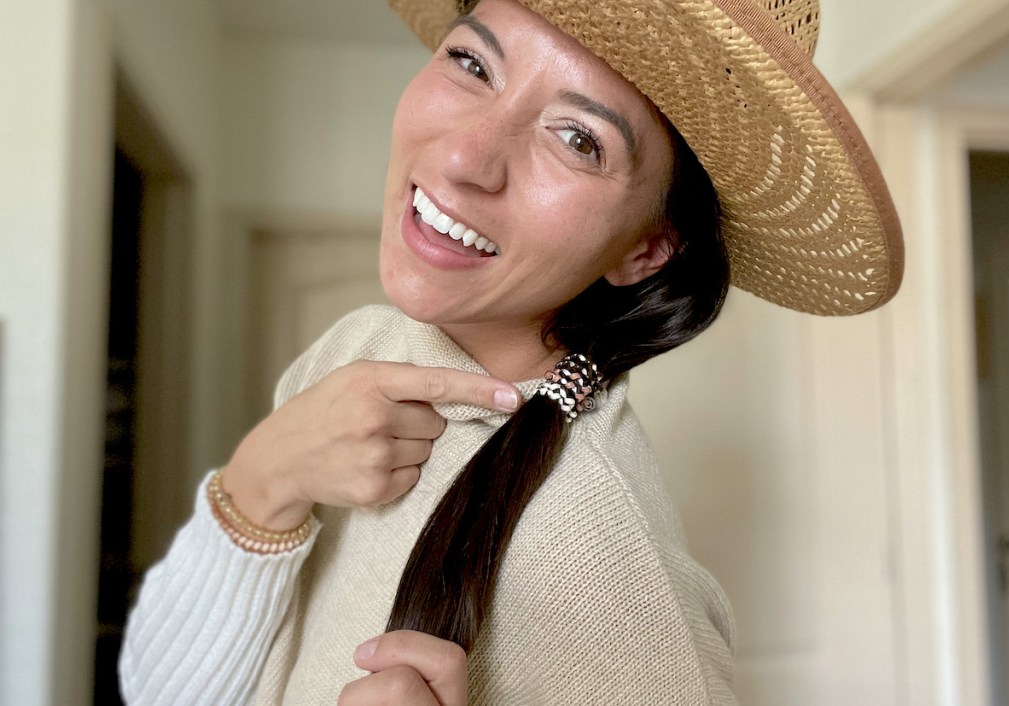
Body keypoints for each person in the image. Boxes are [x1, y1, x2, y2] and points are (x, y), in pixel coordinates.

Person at [119, 0, 903, 703]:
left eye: (578, 139)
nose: (465, 158)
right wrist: (265, 478)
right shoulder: (361, 344)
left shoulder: (609, 574)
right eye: (472, 63)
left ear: (648, 249)